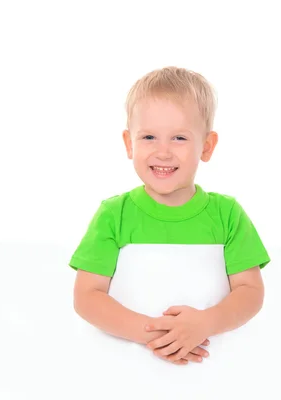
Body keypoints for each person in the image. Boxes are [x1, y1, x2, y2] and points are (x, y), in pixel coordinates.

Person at [68, 66, 270, 366]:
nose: (163, 152)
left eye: (178, 138)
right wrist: (155, 334)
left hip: (215, 367)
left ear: (207, 146)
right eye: (149, 136)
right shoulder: (114, 214)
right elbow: (87, 296)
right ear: (129, 143)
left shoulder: (227, 215)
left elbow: (250, 291)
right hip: (122, 366)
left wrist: (205, 323)